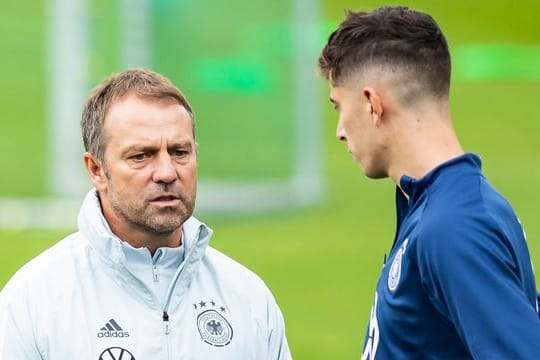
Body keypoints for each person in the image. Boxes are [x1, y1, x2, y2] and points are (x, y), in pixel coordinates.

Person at [0, 69, 292, 359]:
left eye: (179, 152)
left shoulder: (248, 299)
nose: (167, 172)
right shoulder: (33, 302)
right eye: (141, 156)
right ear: (96, 170)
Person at [318, 6, 540, 359]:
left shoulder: (454, 227)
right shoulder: (445, 205)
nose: (340, 132)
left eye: (337, 107)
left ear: (372, 103)